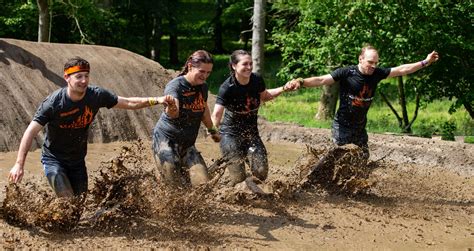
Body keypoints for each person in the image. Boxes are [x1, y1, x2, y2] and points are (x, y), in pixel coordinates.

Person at [8, 56, 176, 197]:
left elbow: (128, 102)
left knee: (79, 205)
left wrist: (157, 100)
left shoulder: (96, 95)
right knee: (67, 201)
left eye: (86, 76)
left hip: (77, 160)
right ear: (67, 78)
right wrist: (19, 164)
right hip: (54, 159)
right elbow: (30, 131)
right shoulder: (53, 103)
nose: (84, 81)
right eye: (79, 76)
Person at [290, 45, 439, 158]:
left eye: (375, 62)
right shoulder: (347, 73)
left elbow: (402, 70)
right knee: (339, 156)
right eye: (370, 62)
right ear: (360, 59)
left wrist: (425, 62)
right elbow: (321, 79)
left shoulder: (377, 73)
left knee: (363, 158)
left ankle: (354, 190)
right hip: (342, 125)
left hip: (360, 127)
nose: (373, 66)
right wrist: (301, 81)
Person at [211, 50, 298, 186]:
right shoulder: (227, 87)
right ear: (234, 66)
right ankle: (230, 191)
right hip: (230, 136)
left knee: (261, 172)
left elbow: (265, 96)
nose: (249, 67)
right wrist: (213, 131)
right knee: (238, 177)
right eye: (245, 64)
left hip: (251, 135)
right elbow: (217, 114)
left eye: (251, 64)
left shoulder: (256, 80)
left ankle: (250, 188)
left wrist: (284, 88)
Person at [152, 50, 218, 188]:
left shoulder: (203, 87)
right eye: (201, 71)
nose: (205, 76)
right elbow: (173, 114)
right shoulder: (175, 85)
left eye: (208, 73)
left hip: (187, 144)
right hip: (166, 141)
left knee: (203, 186)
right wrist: (172, 107)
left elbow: (203, 110)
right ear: (190, 66)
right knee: (175, 188)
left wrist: (212, 129)